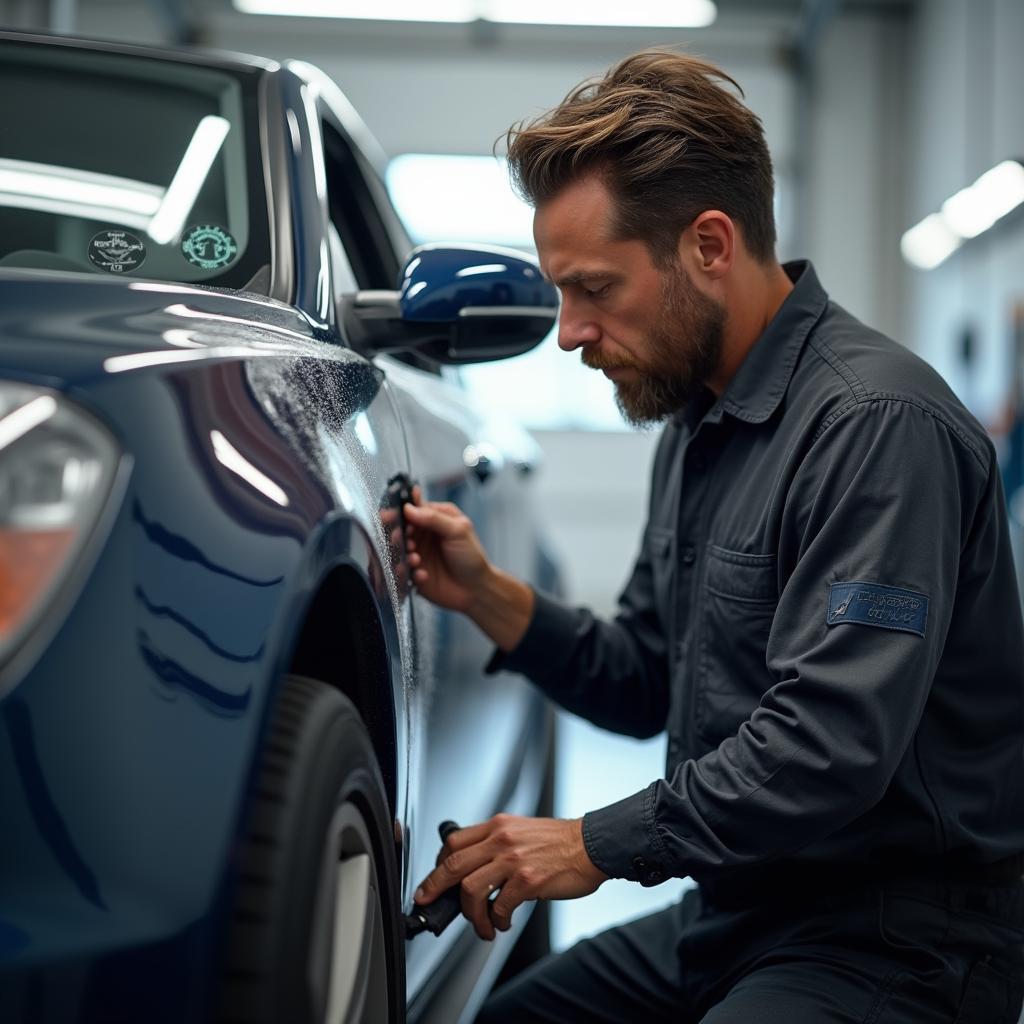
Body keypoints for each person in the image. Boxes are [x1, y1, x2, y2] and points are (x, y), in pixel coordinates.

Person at [403, 50, 1024, 1023]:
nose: (568, 333)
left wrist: (587, 844)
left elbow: (827, 745)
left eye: (594, 288)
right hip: (736, 909)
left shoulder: (874, 427)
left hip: (891, 941)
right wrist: (490, 597)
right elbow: (650, 675)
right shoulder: (697, 422)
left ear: (707, 244)